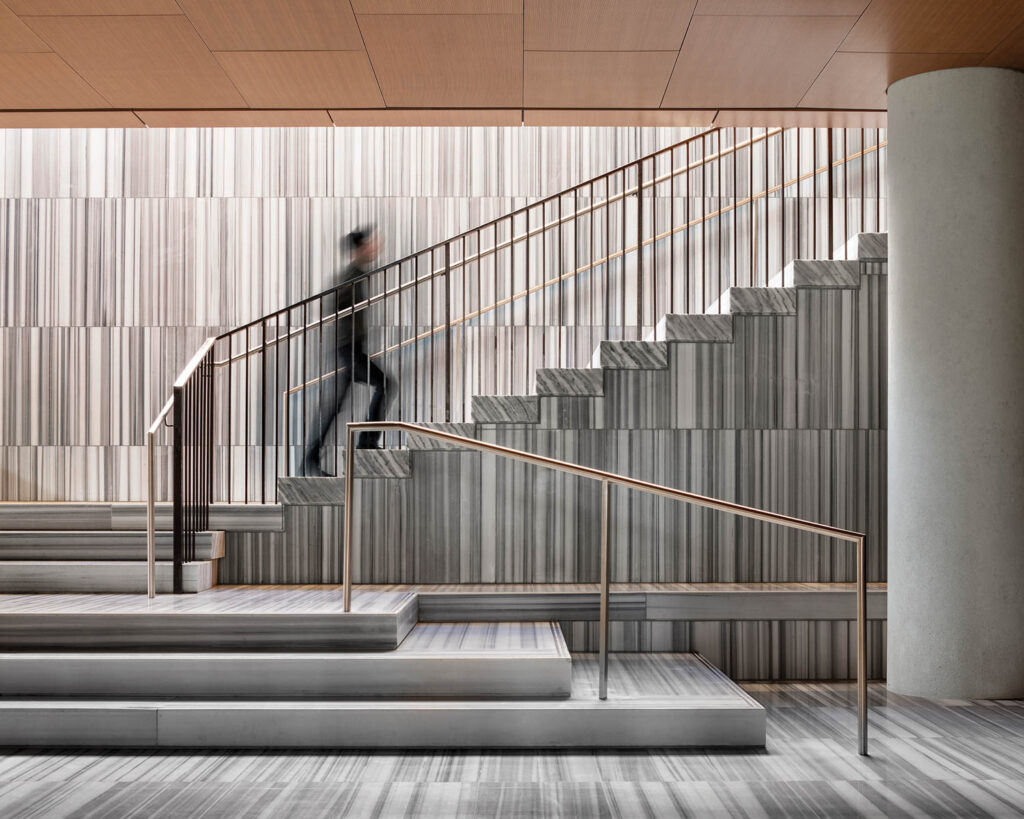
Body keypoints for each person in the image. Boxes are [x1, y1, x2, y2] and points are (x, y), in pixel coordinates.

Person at [302, 227, 394, 476]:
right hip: (348, 348)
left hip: (350, 348)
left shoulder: (357, 273)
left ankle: (310, 461)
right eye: (369, 245)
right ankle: (366, 445)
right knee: (385, 384)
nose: (373, 249)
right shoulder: (350, 274)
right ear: (358, 249)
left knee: (335, 406)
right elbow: (332, 302)